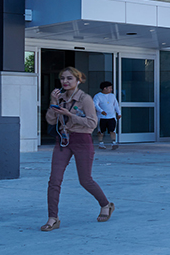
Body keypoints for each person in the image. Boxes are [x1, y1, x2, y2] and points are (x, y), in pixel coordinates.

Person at [42, 67, 114, 231]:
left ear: (78, 80)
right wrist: (53, 102)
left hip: (82, 139)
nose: (65, 82)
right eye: (62, 79)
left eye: (69, 78)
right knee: (54, 180)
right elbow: (51, 121)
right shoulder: (60, 98)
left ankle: (106, 204)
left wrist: (70, 115)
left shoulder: (85, 99)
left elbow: (92, 123)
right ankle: (53, 218)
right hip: (63, 140)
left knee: (85, 180)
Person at [94, 81, 121, 150]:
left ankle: (113, 143)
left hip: (111, 116)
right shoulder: (98, 96)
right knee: (101, 131)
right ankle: (101, 143)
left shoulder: (112, 96)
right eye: (110, 88)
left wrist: (119, 113)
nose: (111, 89)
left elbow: (116, 105)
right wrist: (101, 111)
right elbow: (95, 104)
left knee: (112, 130)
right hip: (102, 117)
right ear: (104, 88)